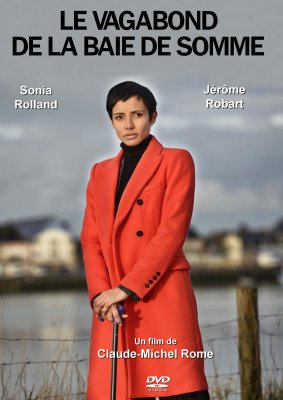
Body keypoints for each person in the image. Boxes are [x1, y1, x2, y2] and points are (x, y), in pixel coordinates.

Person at [81, 81, 210, 400]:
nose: (128, 124)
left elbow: (171, 231)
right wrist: (101, 294)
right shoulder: (100, 172)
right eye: (119, 116)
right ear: (110, 121)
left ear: (153, 116)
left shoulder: (176, 160)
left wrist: (128, 287)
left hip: (160, 290)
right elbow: (90, 238)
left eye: (137, 114)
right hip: (113, 300)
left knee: (177, 388)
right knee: (122, 388)